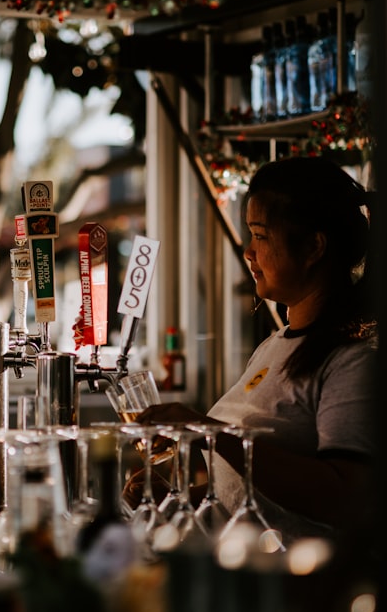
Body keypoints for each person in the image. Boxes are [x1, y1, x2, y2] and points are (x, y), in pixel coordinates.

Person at [137, 156, 377, 542]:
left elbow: (344, 497)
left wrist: (211, 432)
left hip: (295, 589)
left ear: (314, 246)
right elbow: (247, 492)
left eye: (261, 236)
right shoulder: (274, 347)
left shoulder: (351, 363)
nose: (249, 252)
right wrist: (176, 498)